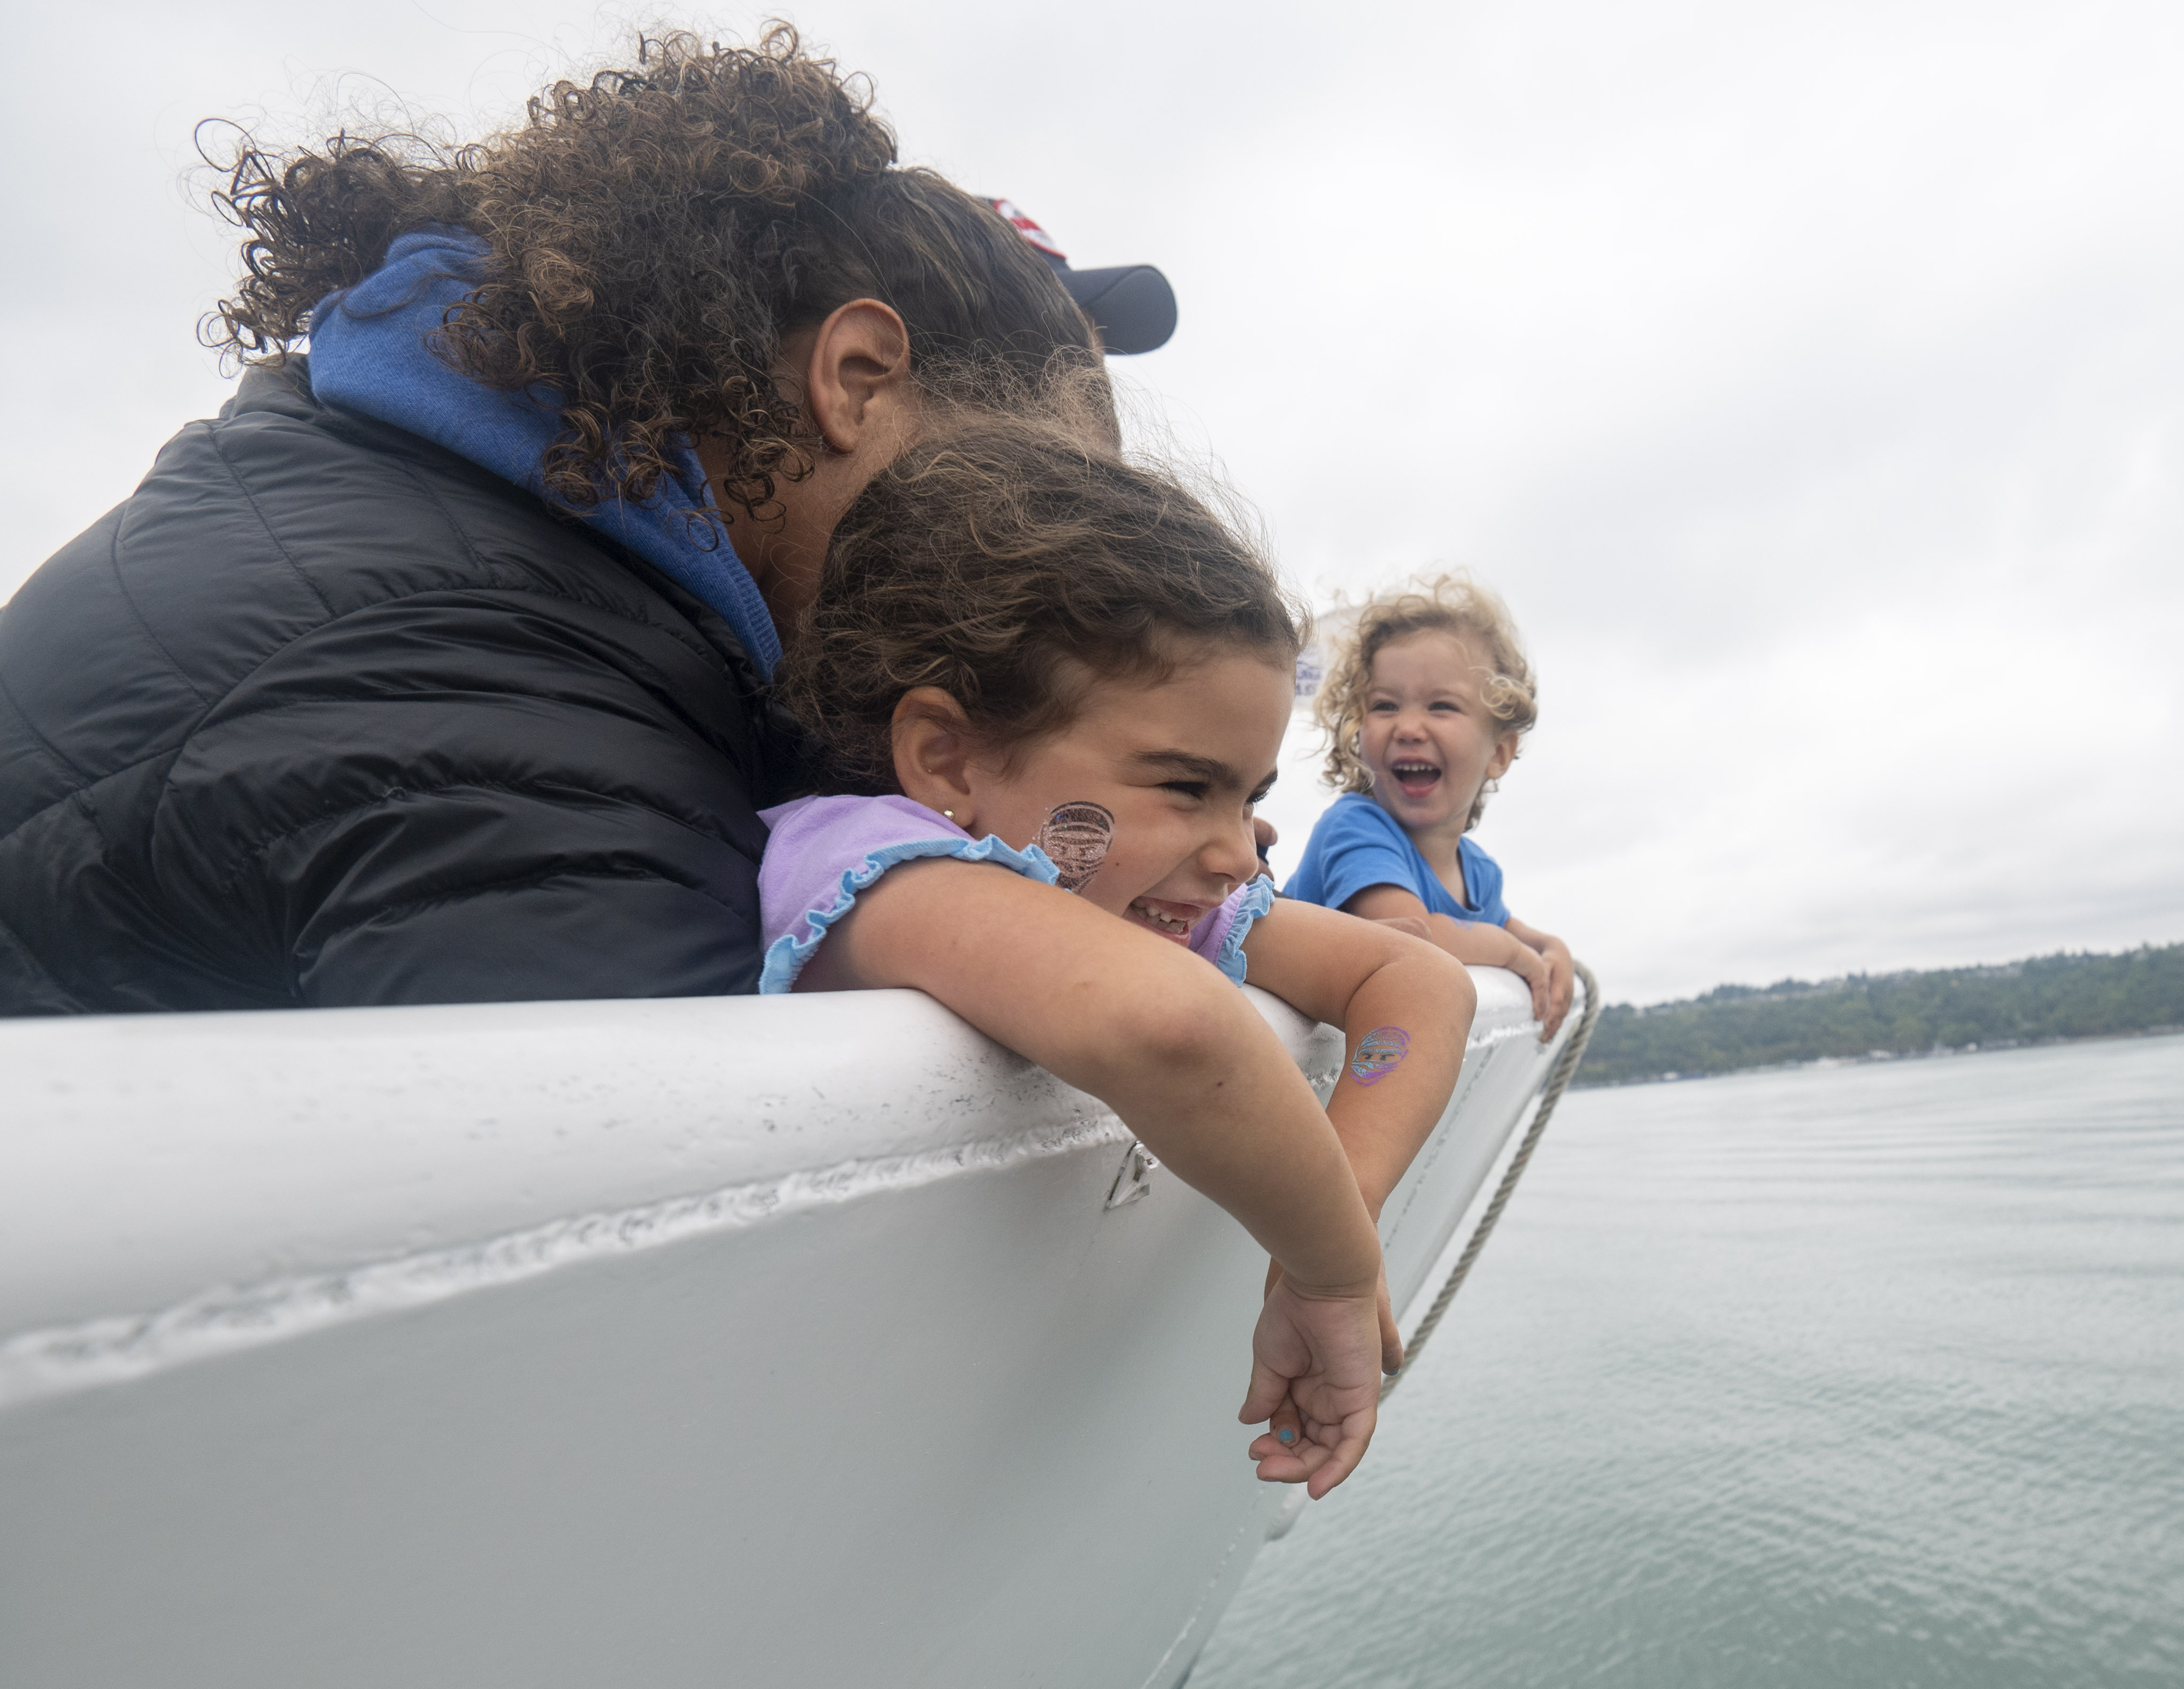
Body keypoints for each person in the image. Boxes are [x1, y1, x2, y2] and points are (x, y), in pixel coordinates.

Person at [0, 27, 1166, 1016]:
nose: (1031, 589)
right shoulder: (490, 697)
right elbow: (667, 1232)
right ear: (853, 379)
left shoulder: (465, 534)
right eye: (1017, 502)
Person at [762, 416, 1479, 1496]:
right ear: (945, 757)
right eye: (1186, 787)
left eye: (1249, 797)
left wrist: (1333, 1220)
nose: (1239, 853)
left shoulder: (1139, 897)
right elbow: (1171, 1026)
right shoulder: (868, 860)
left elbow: (1416, 981)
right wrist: (1333, 1274)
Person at [1286, 574, 1575, 1039]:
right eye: (1384, 706)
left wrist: (1548, 946)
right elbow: (1408, 933)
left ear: (1499, 753)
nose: (1409, 727)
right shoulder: (1355, 828)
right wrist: (1513, 955)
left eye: (1441, 706)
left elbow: (1508, 931)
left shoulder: (1479, 872)